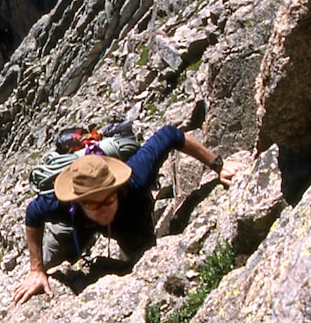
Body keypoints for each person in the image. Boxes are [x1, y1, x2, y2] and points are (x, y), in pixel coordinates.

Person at [12, 125, 244, 304]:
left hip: (130, 218)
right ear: (77, 201)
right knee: (50, 260)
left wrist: (219, 165)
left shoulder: (136, 178)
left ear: (118, 188)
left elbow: (171, 134)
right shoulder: (60, 206)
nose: (103, 208)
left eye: (108, 198)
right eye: (93, 203)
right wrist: (36, 269)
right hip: (77, 224)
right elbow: (32, 215)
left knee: (141, 256)